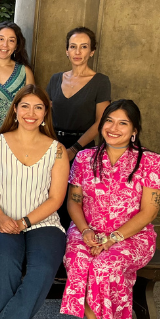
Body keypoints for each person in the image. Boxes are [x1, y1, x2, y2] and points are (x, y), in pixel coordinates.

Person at [61, 100, 160, 319]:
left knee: (107, 264)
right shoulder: (85, 158)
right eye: (109, 121)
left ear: (134, 130)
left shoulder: (151, 162)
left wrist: (112, 239)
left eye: (123, 123)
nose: (113, 128)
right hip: (88, 229)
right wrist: (85, 231)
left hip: (132, 236)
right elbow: (73, 201)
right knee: (79, 259)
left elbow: (149, 212)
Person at [0, 84, 69, 319]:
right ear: (15, 109)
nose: (31, 113)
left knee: (42, 269)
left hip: (44, 224)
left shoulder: (58, 150)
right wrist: (1, 217)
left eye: (38, 107)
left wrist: (24, 222)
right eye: (25, 106)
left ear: (45, 113)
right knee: (6, 261)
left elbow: (56, 198)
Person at [47, 27, 111, 229]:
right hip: (53, 144)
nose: (77, 52)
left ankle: (72, 247)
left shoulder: (100, 81)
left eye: (84, 47)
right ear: (66, 50)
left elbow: (101, 122)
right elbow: (45, 115)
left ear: (92, 51)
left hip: (82, 149)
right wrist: (52, 145)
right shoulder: (56, 79)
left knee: (74, 199)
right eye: (73, 47)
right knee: (49, 195)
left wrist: (73, 149)